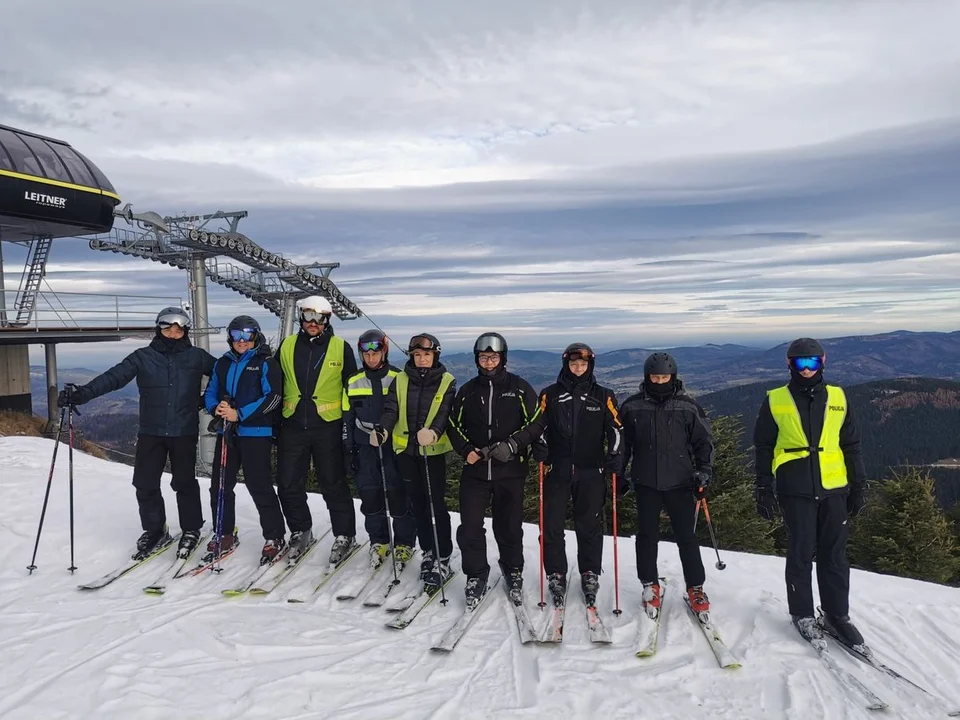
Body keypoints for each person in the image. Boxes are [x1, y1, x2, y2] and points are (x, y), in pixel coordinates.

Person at [57, 307, 215, 559]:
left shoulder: (197, 357)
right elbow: (113, 378)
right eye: (167, 328)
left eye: (178, 328)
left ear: (185, 331)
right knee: (145, 483)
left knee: (184, 483)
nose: (173, 332)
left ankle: (191, 529)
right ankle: (155, 529)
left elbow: (226, 376)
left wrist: (207, 400)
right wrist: (81, 394)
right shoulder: (143, 357)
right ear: (158, 329)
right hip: (151, 431)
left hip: (183, 431)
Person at [753, 337, 868, 646]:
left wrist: (859, 486)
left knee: (835, 556)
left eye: (812, 363)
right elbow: (763, 446)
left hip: (834, 489)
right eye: (800, 363)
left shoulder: (838, 397)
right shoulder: (776, 399)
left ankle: (836, 615)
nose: (807, 370)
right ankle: (802, 612)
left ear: (822, 363)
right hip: (796, 488)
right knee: (801, 552)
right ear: (790, 365)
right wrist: (763, 486)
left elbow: (851, 445)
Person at [447, 332, 542, 607]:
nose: (488, 362)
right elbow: (453, 425)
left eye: (493, 357)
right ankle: (476, 574)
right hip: (476, 472)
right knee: (471, 527)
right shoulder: (468, 391)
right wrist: (467, 451)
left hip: (510, 471)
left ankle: (513, 570)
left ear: (503, 358)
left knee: (510, 526)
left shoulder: (521, 388)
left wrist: (512, 445)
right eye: (483, 357)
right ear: (477, 359)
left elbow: (537, 422)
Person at [620, 352, 714, 616]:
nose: (659, 381)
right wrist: (618, 474)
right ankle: (649, 583)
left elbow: (703, 443)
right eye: (655, 377)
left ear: (673, 377)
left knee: (687, 537)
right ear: (647, 377)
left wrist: (704, 473)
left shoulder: (687, 406)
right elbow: (623, 446)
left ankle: (695, 586)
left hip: (680, 482)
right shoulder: (632, 406)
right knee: (647, 536)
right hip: (646, 482)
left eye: (664, 377)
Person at [534, 342, 623, 606]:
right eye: (574, 364)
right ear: (566, 365)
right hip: (557, 469)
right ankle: (556, 572)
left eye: (583, 365)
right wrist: (541, 447)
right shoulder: (549, 394)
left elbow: (616, 429)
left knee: (590, 525)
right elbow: (539, 426)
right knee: (552, 524)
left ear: (590, 366)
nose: (578, 368)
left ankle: (589, 571)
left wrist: (615, 456)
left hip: (591, 470)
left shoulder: (603, 395)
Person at [275, 296, 358, 563]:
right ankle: (300, 529)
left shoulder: (339, 348)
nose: (313, 322)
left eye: (319, 317)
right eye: (308, 316)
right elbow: (275, 381)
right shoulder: (287, 345)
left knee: (333, 484)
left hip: (328, 426)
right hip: (293, 423)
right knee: (288, 484)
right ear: (301, 317)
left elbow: (352, 388)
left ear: (327, 320)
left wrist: (349, 426)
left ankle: (345, 534)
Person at [203, 315, 286, 565]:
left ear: (255, 336)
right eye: (237, 335)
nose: (242, 340)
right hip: (227, 433)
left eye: (247, 335)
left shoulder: (265, 362)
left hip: (255, 434)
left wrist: (240, 414)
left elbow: (273, 397)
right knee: (220, 485)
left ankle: (275, 536)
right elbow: (210, 391)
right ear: (230, 337)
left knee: (258, 484)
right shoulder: (223, 363)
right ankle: (224, 532)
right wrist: (215, 408)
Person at [376, 333, 456, 590]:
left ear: (435, 356)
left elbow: (445, 413)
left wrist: (433, 432)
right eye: (418, 355)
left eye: (427, 355)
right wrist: (383, 430)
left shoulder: (446, 381)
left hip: (431, 452)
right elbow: (391, 409)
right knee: (418, 504)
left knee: (435, 505)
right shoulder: (400, 379)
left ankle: (443, 554)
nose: (422, 359)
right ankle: (428, 551)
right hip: (405, 451)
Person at [343, 329, 417, 570]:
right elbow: (347, 417)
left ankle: (404, 542)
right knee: (370, 496)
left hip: (392, 446)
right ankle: (379, 541)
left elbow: (407, 414)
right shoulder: (353, 381)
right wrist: (349, 450)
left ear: (384, 352)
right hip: (365, 448)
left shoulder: (398, 377)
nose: (372, 358)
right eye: (367, 354)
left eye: (376, 353)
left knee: (398, 494)